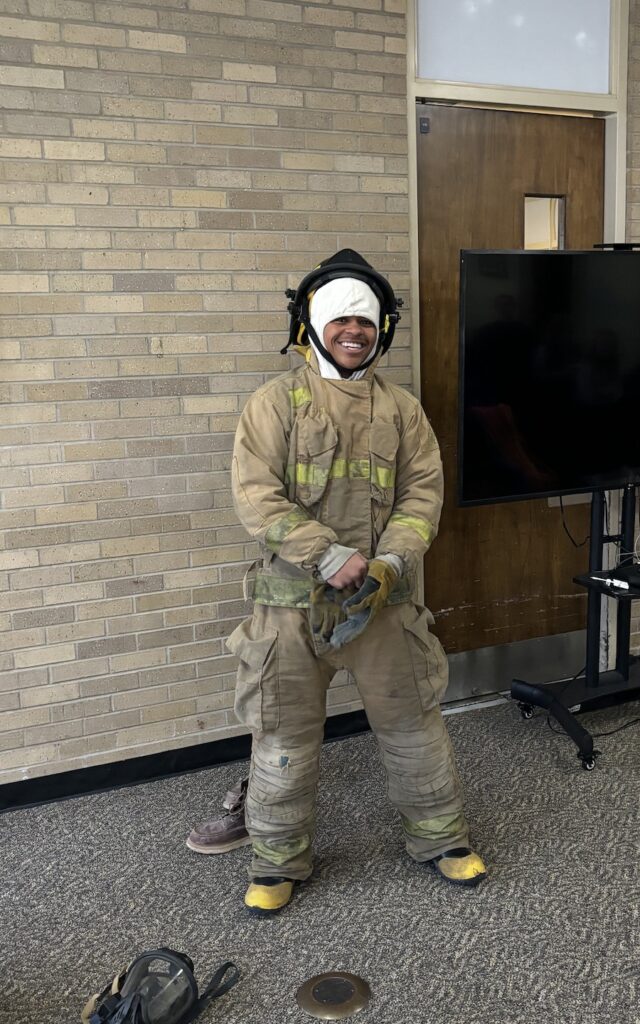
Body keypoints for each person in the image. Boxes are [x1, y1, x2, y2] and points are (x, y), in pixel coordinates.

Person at [188, 249, 486, 916]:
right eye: (340, 320)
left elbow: (422, 496)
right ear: (311, 327)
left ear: (382, 330)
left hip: (384, 606)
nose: (355, 332)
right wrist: (326, 556)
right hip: (289, 614)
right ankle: (276, 862)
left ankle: (441, 841)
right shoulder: (273, 405)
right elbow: (256, 498)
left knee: (414, 730)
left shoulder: (404, 411)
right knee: (284, 740)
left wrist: (390, 564)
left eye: (366, 322)